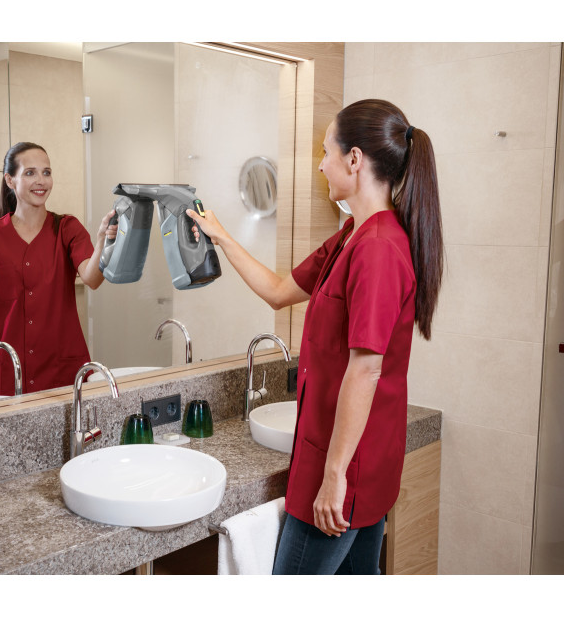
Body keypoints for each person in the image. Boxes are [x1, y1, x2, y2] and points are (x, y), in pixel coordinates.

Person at [187, 99, 444, 575]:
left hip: (346, 465)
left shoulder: (378, 249)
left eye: (326, 152)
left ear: (354, 159)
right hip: (350, 457)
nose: (321, 165)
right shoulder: (351, 235)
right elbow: (278, 291)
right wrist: (219, 234)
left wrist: (335, 475)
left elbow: (365, 370)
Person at [0, 142, 116, 396]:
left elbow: (92, 279)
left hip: (62, 368)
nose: (41, 181)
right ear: (10, 180)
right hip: (11, 369)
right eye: (30, 173)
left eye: (46, 172)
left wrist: (101, 242)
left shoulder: (67, 228)